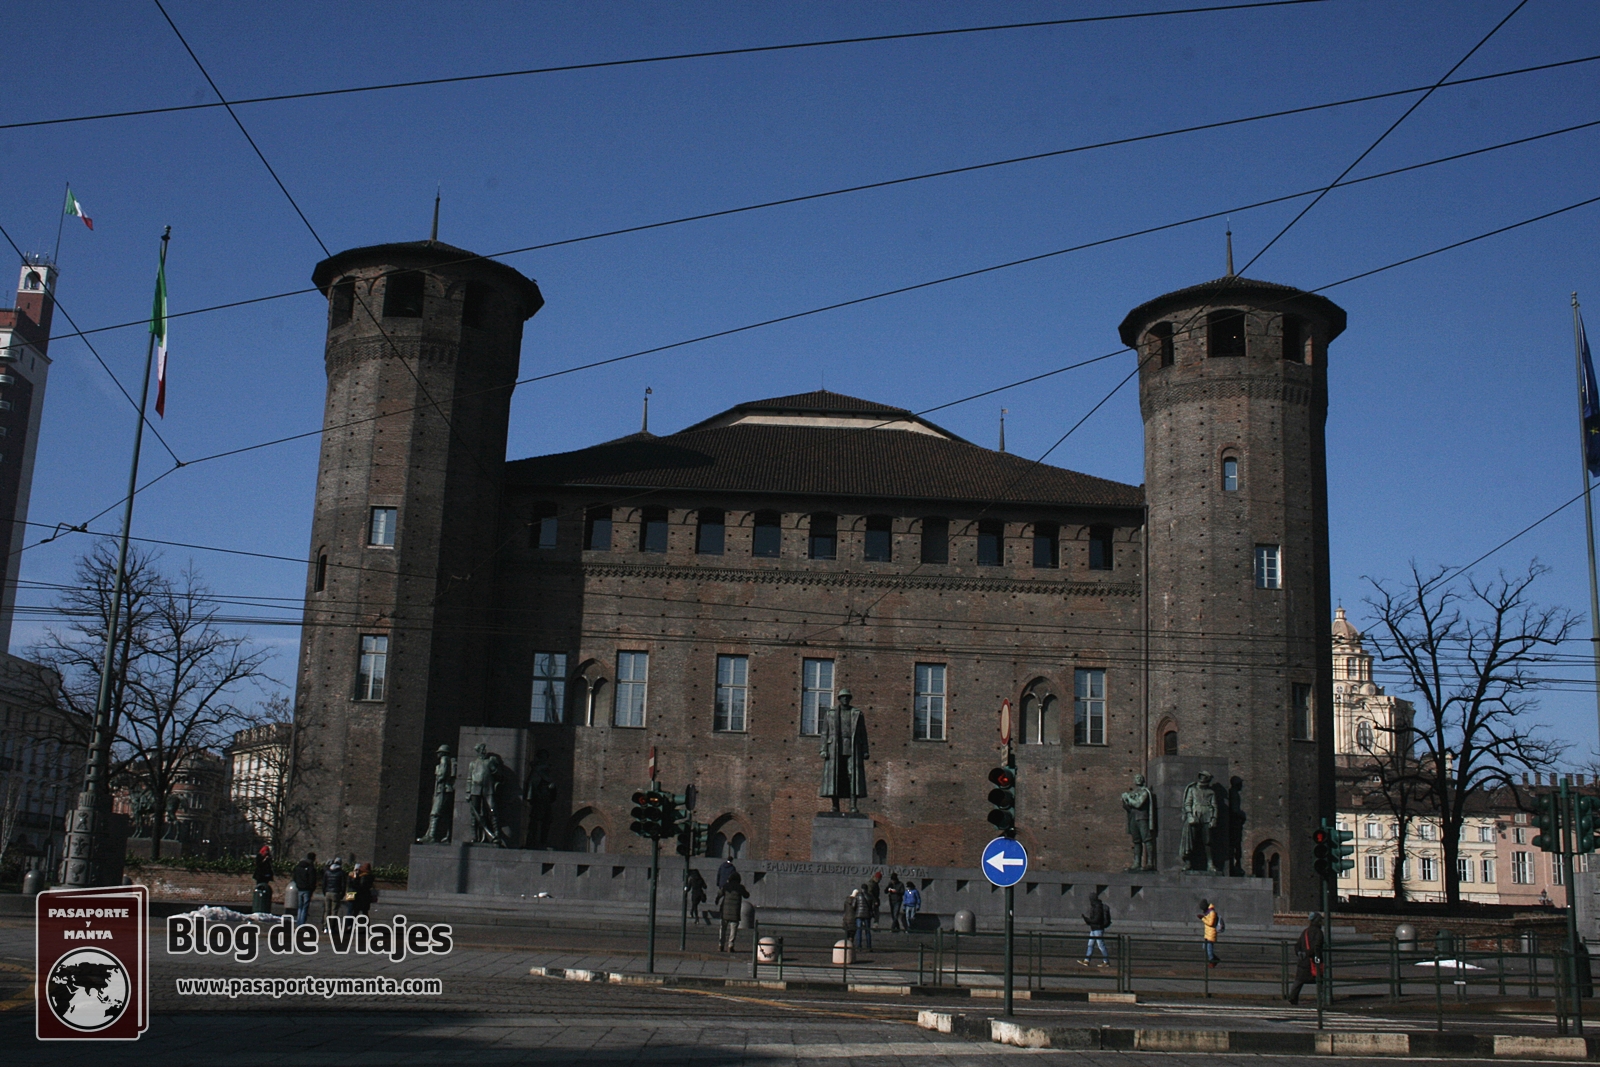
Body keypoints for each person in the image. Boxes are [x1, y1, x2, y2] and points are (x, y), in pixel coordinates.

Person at [1287, 912, 1323, 1004]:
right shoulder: (1318, 932)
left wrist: (1300, 953)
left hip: (1303, 961)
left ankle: (1292, 998)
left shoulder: (1305, 932)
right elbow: (1317, 946)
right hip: (1314, 960)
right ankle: (1322, 999)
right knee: (1320, 980)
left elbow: (1297, 945)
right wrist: (1309, 953)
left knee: (1299, 981)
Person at [716, 871, 749, 952]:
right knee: (733, 929)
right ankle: (730, 945)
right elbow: (746, 895)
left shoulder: (726, 886)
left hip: (725, 911)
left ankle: (721, 945)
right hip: (735, 912)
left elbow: (719, 894)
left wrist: (717, 900)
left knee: (723, 929)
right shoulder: (740, 887)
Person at [1081, 890, 1111, 967]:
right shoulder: (1096, 906)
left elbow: (1097, 919)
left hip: (1098, 929)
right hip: (1094, 928)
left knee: (1100, 945)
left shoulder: (1097, 907)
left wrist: (1087, 920)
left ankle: (1106, 961)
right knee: (1090, 944)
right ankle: (1087, 960)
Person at [291, 852, 318, 926]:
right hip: (307, 889)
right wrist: (312, 888)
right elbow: (312, 880)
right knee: (305, 907)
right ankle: (302, 922)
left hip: (300, 888)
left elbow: (295, 877)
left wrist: (298, 884)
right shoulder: (311, 868)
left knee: (300, 906)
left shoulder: (298, 867)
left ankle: (298, 922)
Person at [321, 855, 346, 925]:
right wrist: (342, 894)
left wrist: (324, 892)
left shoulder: (327, 872)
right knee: (334, 910)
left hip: (327, 892)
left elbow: (324, 883)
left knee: (327, 910)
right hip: (336, 892)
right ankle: (331, 925)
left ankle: (325, 924)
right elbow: (343, 884)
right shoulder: (341, 873)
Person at [1199, 899, 1221, 967]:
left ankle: (1212, 961)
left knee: (1209, 949)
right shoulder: (1208, 912)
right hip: (1208, 933)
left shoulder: (1212, 912)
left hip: (1211, 934)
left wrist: (1202, 918)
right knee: (1205, 947)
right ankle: (1214, 959)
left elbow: (1211, 923)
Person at [853, 884, 873, 951]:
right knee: (867, 931)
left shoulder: (858, 895)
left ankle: (859, 946)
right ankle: (869, 947)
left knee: (859, 931)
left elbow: (853, 905)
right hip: (867, 915)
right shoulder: (870, 896)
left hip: (859, 915)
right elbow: (872, 906)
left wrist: (856, 910)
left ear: (861, 888)